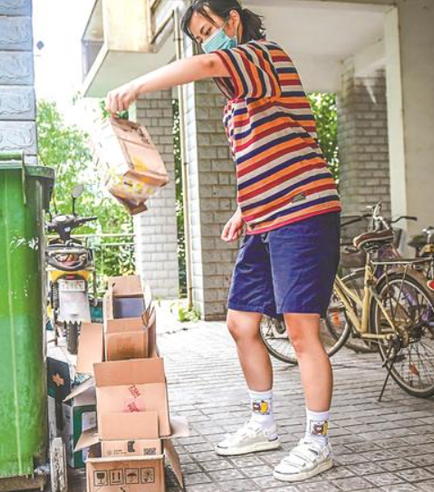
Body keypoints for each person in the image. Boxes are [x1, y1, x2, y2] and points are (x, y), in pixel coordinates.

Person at [105, 0, 341, 483]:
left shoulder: (264, 55)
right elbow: (263, 156)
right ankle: (264, 421)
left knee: (301, 332)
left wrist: (137, 84)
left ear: (232, 20)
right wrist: (241, 209)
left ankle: (318, 440)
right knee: (239, 323)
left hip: (303, 209)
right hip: (263, 218)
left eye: (208, 28)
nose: (204, 41)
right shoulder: (236, 105)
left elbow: (212, 63)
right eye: (197, 35)